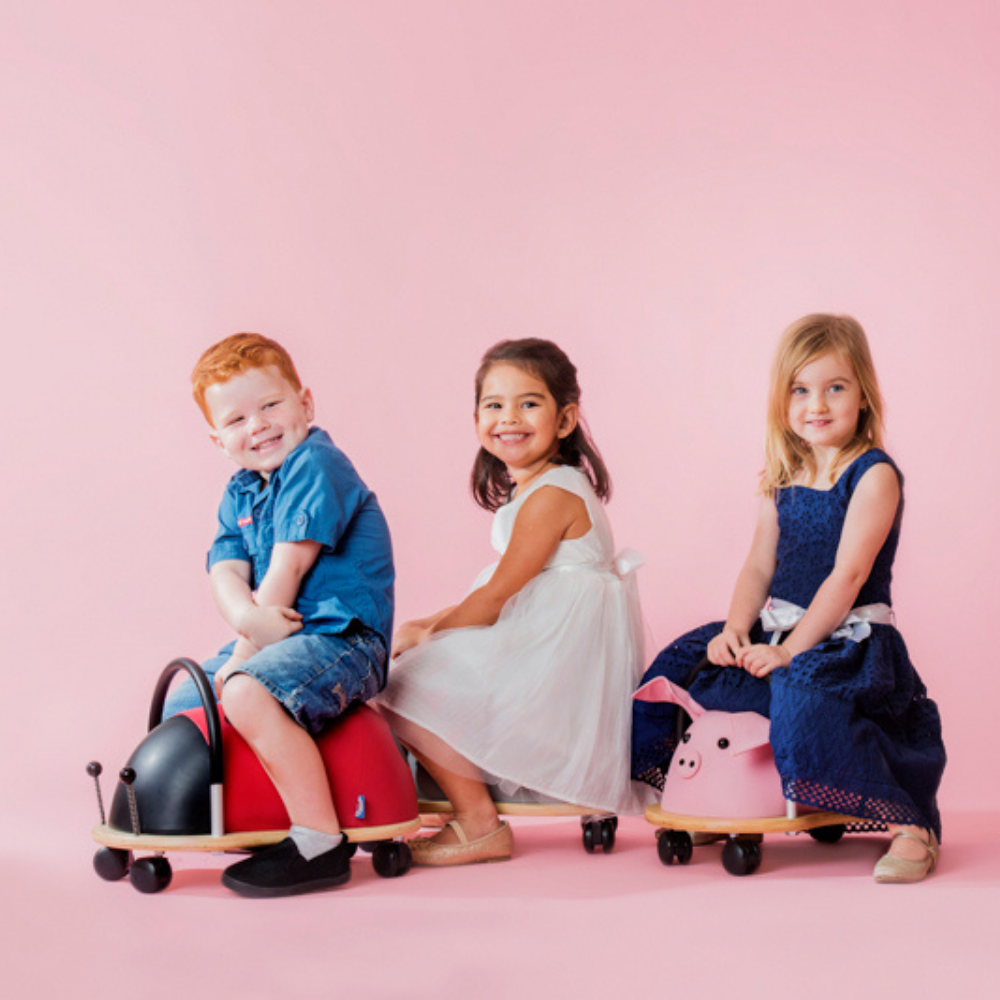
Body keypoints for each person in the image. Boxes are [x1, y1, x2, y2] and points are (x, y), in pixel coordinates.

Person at [631, 314, 946, 883]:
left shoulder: (872, 476)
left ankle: (908, 821)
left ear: (864, 396)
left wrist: (790, 651)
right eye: (800, 390)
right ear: (781, 400)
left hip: (846, 639)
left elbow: (846, 577)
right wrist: (736, 627)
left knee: (799, 697)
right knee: (694, 672)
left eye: (835, 388)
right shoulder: (783, 476)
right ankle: (720, 793)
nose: (816, 404)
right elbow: (758, 564)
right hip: (780, 628)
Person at [376, 338, 649, 866]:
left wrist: (429, 635)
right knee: (417, 655)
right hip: (544, 638)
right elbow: (496, 588)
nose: (509, 418)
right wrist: (428, 623)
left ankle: (478, 821)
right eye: (493, 405)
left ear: (565, 420)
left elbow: (499, 595)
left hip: (553, 652)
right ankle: (443, 794)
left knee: (401, 681)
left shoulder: (553, 494)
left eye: (529, 403)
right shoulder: (534, 488)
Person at [164, 333, 394, 896]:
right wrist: (246, 621)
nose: (259, 425)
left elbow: (288, 572)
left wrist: (244, 654)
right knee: (185, 701)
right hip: (276, 633)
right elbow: (225, 572)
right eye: (238, 418)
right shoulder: (240, 491)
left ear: (305, 404)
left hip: (343, 640)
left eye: (271, 405)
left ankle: (319, 842)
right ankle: (251, 813)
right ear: (218, 439)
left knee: (241, 690)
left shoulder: (317, 463)